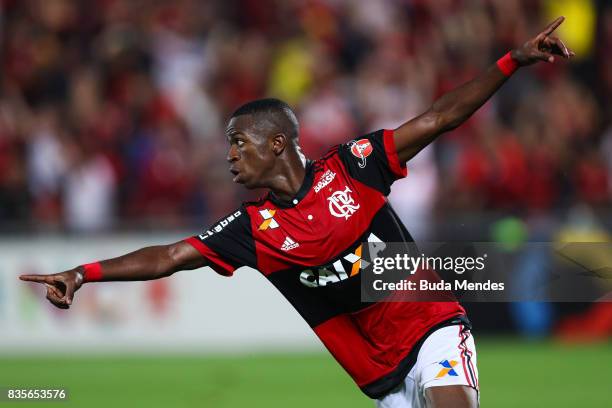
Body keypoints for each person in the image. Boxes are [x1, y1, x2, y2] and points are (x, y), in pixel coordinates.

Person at [20, 17, 573, 408]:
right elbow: (168, 255)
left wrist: (511, 61)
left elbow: (438, 118)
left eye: (240, 143)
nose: (230, 156)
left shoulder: (354, 166)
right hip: (380, 376)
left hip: (431, 328)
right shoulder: (251, 230)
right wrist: (83, 273)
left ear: (277, 144)